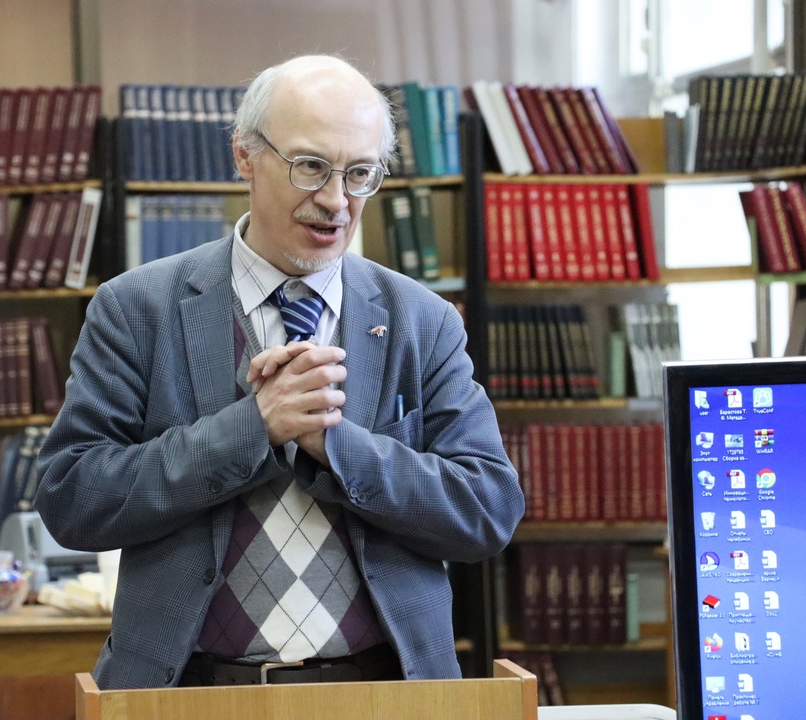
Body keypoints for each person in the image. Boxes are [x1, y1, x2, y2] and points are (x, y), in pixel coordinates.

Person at [34, 54, 524, 690]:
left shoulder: (423, 321)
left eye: (359, 173)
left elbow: (487, 511)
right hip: (189, 692)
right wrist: (252, 428)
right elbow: (72, 499)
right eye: (311, 166)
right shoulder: (136, 309)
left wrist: (336, 446)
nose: (336, 201)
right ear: (244, 155)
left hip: (385, 692)